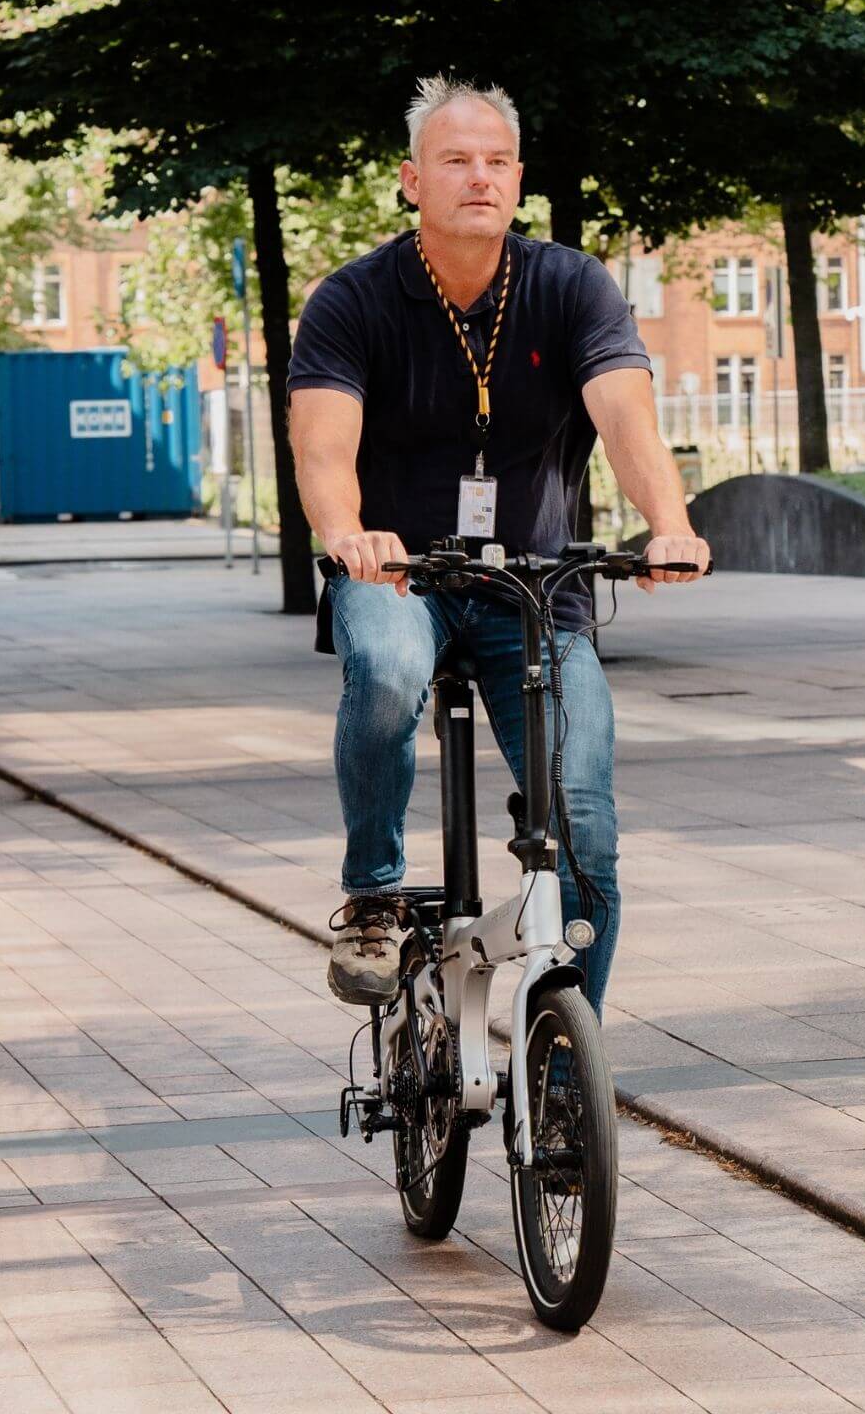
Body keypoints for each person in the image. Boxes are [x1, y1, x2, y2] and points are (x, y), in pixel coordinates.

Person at [288, 76, 710, 1018]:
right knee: (390, 672)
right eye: (455, 160)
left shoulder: (570, 285)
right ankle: (373, 894)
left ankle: (567, 1065)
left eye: (496, 162)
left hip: (534, 585)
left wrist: (669, 524)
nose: (479, 178)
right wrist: (349, 536)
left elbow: (625, 413)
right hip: (401, 576)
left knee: (588, 833)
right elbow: (322, 445)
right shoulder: (353, 300)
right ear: (410, 180)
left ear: (518, 179)